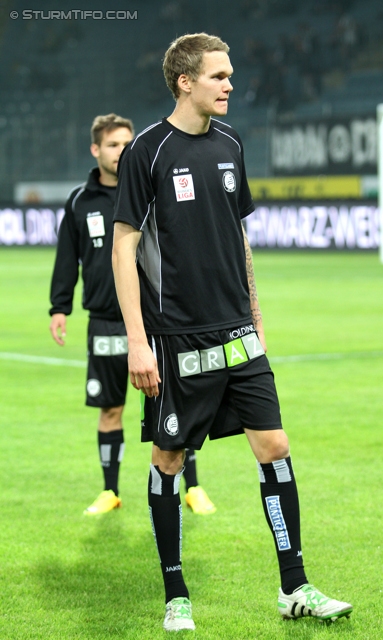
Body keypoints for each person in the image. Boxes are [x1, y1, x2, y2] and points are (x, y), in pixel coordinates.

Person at [112, 33, 353, 632]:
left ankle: (294, 586)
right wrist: (138, 341)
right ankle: (176, 592)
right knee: (168, 458)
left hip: (239, 333)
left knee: (274, 447)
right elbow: (125, 247)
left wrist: (257, 311)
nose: (230, 84)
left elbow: (237, 235)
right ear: (185, 82)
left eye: (230, 75)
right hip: (176, 340)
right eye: (219, 76)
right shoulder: (148, 151)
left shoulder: (230, 144)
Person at [49, 113, 216, 517]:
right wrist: (59, 307)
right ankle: (110, 491)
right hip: (105, 320)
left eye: (127, 142)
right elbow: (66, 259)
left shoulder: (148, 186)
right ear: (96, 150)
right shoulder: (80, 201)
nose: (121, 151)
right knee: (110, 407)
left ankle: (192, 487)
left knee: (176, 406)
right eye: (112, 144)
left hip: (157, 320)